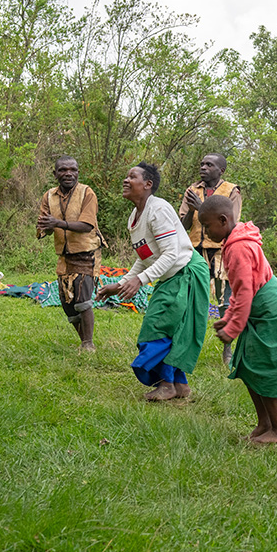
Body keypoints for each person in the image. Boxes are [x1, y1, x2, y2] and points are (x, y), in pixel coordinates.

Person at [96, 162, 210, 402]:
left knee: (158, 327)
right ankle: (179, 385)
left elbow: (170, 254)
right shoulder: (134, 218)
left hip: (185, 271)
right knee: (169, 327)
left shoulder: (157, 210)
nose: (126, 180)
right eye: (126, 176)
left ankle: (166, 384)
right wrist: (120, 283)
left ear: (148, 184)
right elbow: (146, 258)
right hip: (172, 275)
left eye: (132, 177)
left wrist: (141, 281)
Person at [198, 195, 277, 444]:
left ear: (223, 220)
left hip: (271, 311)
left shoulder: (237, 247)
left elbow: (246, 291)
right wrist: (230, 317)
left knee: (262, 368)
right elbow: (240, 288)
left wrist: (233, 328)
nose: (205, 231)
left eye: (207, 226)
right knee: (246, 366)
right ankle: (264, 423)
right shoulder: (233, 241)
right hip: (257, 308)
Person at [179, 153, 243, 365]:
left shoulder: (232, 191)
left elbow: (230, 222)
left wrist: (201, 208)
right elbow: (184, 225)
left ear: (221, 170)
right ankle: (187, 345)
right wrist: (191, 210)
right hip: (195, 250)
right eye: (202, 164)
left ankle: (227, 349)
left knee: (225, 301)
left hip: (220, 250)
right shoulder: (192, 190)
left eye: (209, 165)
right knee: (191, 298)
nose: (203, 167)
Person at [37, 156, 104, 352]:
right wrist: (47, 227)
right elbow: (44, 227)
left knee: (82, 298)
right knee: (68, 303)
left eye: (73, 169)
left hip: (87, 252)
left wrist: (57, 223)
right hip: (64, 256)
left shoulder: (87, 193)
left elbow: (86, 225)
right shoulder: (49, 196)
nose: (68, 173)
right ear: (55, 174)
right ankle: (83, 340)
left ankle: (88, 344)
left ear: (78, 172)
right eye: (63, 170)